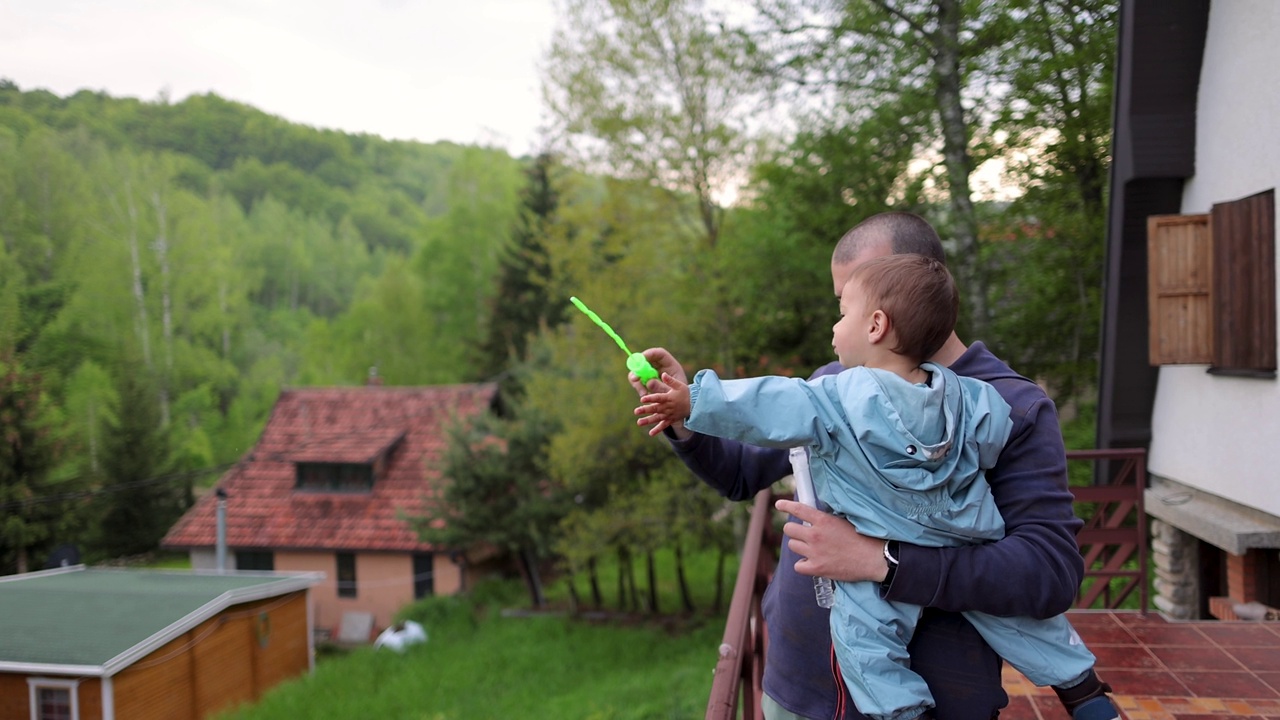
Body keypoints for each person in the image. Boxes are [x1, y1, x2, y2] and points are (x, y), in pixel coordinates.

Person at [628, 212, 1115, 720]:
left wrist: (883, 560)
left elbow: (1049, 573)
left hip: (943, 701)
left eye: (847, 303)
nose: (837, 324)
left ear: (890, 301)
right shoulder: (838, 382)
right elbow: (738, 475)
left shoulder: (1013, 404)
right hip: (796, 690)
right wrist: (683, 414)